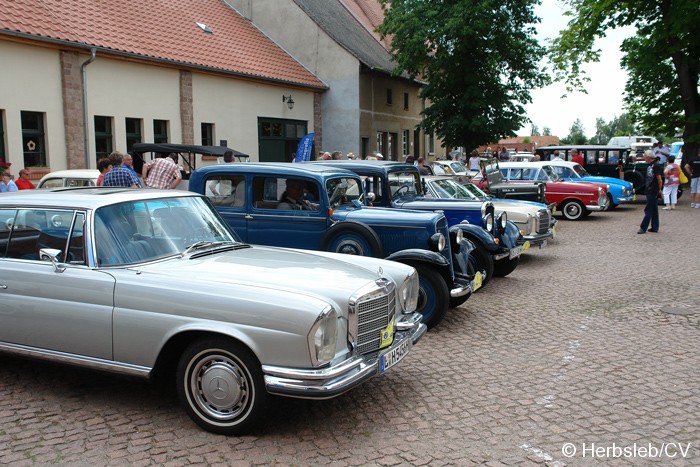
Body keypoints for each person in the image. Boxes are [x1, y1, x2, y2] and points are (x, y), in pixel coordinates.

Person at [638, 150, 663, 234]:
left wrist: (659, 189)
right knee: (654, 209)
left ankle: (643, 227)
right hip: (650, 189)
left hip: (653, 189)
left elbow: (659, 179)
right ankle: (655, 227)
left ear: (648, 157)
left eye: (645, 156)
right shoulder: (651, 165)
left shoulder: (655, 166)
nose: (644, 158)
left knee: (648, 209)